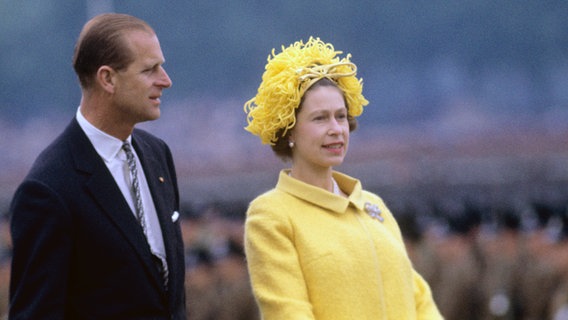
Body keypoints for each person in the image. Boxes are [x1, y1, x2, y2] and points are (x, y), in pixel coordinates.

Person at [242, 37, 443, 319]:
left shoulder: (374, 207)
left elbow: (419, 299)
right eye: (320, 119)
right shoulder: (272, 216)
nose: (337, 129)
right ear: (288, 130)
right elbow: (287, 311)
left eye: (341, 116)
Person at [9, 13, 186, 319]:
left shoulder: (158, 155)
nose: (166, 80)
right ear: (107, 79)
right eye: (149, 70)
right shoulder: (49, 189)